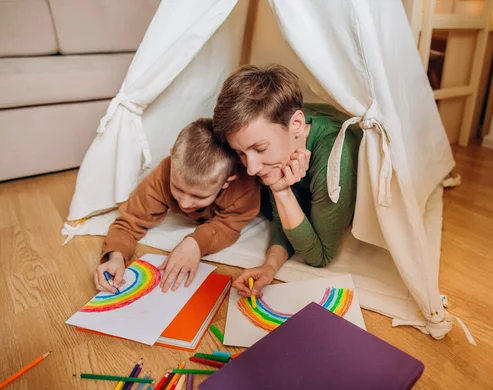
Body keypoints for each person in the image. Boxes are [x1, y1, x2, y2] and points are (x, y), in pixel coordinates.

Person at [213, 64, 362, 298]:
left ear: (297, 125)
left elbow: (320, 256)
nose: (251, 169)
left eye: (259, 148)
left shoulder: (334, 161)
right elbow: (282, 217)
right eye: (241, 153)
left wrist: (281, 191)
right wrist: (270, 266)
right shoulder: (279, 133)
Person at [94, 118, 260, 293]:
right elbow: (129, 221)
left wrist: (196, 243)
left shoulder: (244, 185)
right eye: (178, 188)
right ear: (172, 158)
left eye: (198, 196)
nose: (184, 203)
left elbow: (229, 226)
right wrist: (116, 256)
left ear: (227, 181)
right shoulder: (164, 173)